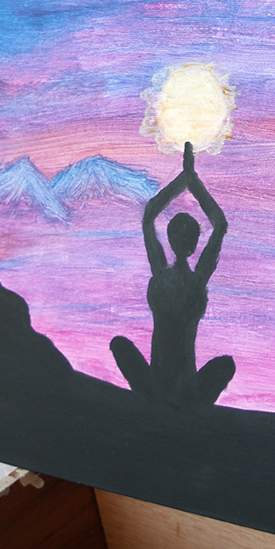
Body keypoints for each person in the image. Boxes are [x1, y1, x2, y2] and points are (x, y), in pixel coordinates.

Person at [111, 142, 235, 406]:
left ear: (169, 239)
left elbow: (148, 218)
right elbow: (220, 225)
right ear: (194, 244)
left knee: (120, 345)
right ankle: (185, 405)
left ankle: (168, 403)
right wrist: (191, 179)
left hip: (156, 384)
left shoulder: (161, 275)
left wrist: (183, 179)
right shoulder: (196, 281)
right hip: (185, 388)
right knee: (226, 365)